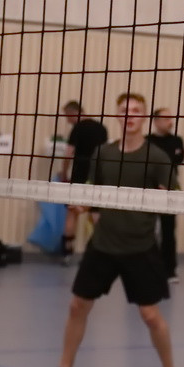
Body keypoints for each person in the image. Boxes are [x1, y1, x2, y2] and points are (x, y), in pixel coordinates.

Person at [35, 93, 184, 367]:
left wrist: (167, 196)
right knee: (77, 306)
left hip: (140, 246)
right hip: (103, 244)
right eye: (124, 111)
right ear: (117, 116)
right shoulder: (103, 153)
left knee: (151, 316)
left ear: (143, 117)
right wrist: (84, 207)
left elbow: (175, 194)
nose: (130, 115)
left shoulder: (158, 157)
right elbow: (93, 190)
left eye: (136, 111)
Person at [59, 100, 108, 263]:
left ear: (73, 113)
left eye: (67, 116)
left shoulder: (77, 128)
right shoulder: (101, 127)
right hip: (97, 174)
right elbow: (105, 152)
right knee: (96, 212)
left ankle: (67, 253)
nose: (67, 120)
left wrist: (64, 173)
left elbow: (68, 153)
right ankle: (102, 251)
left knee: (72, 212)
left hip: (79, 173)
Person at [147, 108, 184, 284]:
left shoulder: (177, 140)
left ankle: (169, 270)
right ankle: (148, 267)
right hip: (149, 191)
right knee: (147, 230)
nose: (171, 121)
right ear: (156, 121)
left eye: (171, 118)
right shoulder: (148, 141)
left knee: (168, 231)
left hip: (170, 191)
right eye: (166, 118)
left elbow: (177, 159)